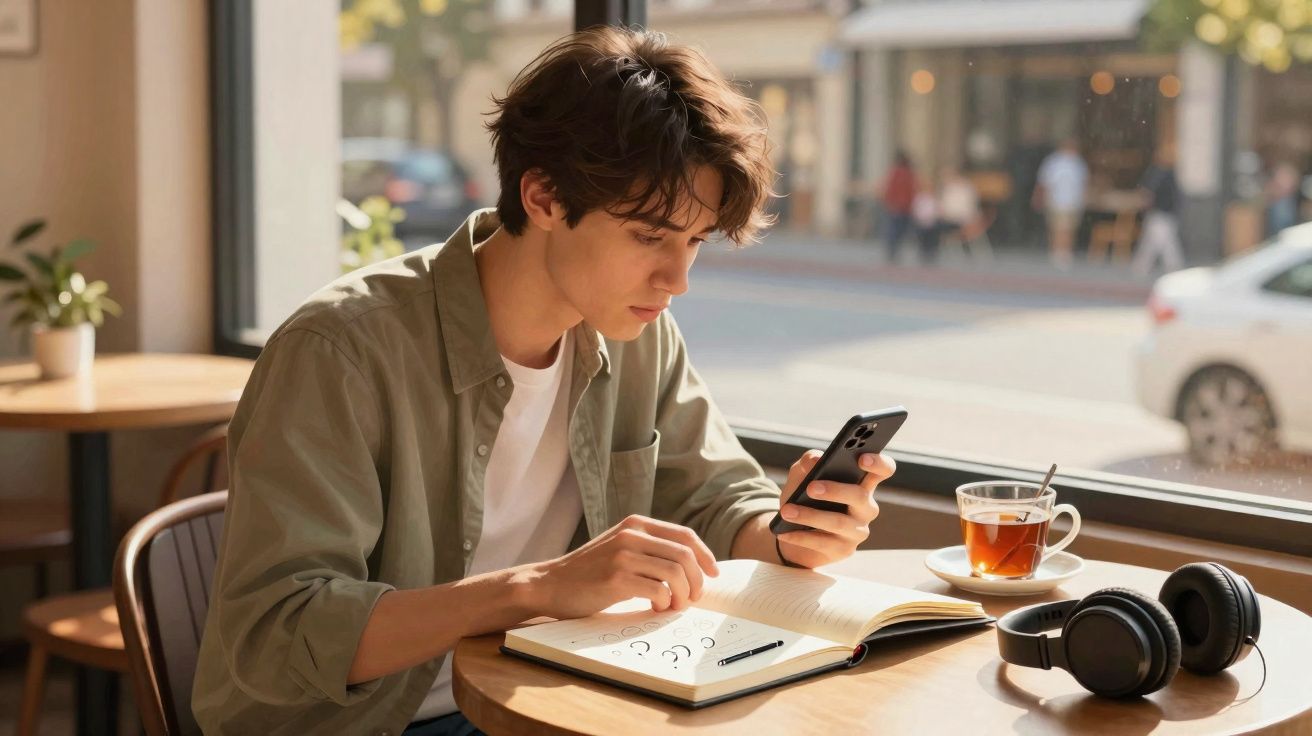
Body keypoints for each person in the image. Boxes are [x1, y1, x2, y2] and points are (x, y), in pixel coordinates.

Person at [192, 27, 897, 736]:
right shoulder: (341, 352)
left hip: (541, 694)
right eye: (650, 236)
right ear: (544, 197)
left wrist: (789, 533)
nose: (677, 280)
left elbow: (714, 496)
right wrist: (540, 589)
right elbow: (279, 633)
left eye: (694, 243)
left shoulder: (638, 334)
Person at [1033, 139, 1089, 270]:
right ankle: (1058, 252)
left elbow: (1084, 182)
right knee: (1059, 227)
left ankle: (1064, 251)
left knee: (1068, 228)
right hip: (1057, 200)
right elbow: (1044, 181)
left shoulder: (1078, 162)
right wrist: (1039, 197)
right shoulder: (1054, 162)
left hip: (1073, 200)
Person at [1131, 144, 1185, 278]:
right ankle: (1142, 266)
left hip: (1161, 212)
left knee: (1164, 242)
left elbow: (1147, 192)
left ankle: (1172, 268)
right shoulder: (1167, 173)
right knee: (1154, 241)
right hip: (1165, 211)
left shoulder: (1160, 174)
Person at [878, 150, 917, 263]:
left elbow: (888, 189)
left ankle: (892, 251)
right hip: (902, 207)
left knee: (894, 230)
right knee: (898, 231)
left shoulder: (896, 172)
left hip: (896, 207)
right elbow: (911, 191)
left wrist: (888, 202)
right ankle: (893, 251)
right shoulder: (907, 173)